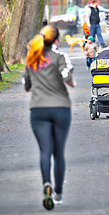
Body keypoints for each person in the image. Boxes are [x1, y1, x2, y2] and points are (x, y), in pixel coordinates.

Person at [23, 25, 74, 210]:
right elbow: (67, 75)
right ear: (56, 41)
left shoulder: (31, 59)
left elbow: (26, 85)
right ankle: (58, 193)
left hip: (38, 110)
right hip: (61, 108)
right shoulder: (59, 57)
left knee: (45, 151)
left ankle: (47, 183)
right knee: (59, 153)